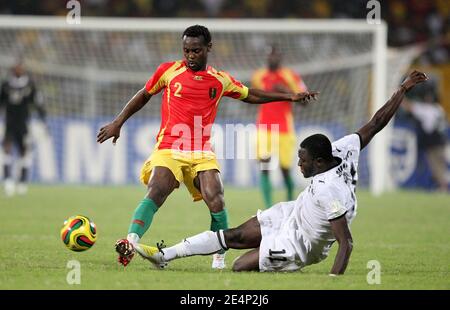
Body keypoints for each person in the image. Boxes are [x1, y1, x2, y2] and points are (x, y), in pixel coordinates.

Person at [133, 70, 428, 274]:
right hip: (295, 211)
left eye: (303, 162)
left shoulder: (330, 190)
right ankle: (165, 255)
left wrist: (333, 280)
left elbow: (346, 243)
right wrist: (401, 89)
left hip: (301, 243)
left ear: (320, 163)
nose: (299, 164)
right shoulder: (343, 148)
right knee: (233, 234)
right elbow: (376, 122)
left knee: (239, 266)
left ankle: (262, 253)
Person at [96, 25, 318, 269]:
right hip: (170, 146)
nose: (190, 56)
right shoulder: (168, 71)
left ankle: (219, 257)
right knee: (157, 189)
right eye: (187, 51)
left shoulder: (219, 79)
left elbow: (250, 94)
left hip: (201, 151)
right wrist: (118, 122)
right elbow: (144, 94)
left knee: (216, 198)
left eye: (196, 51)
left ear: (208, 48)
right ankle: (130, 242)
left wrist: (288, 97)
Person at [252, 45, 308, 208]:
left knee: (284, 169)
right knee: (264, 164)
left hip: (284, 128)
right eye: (270, 56)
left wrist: (286, 90)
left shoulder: (291, 76)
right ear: (266, 57)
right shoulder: (258, 76)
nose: (272, 59)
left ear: (280, 58)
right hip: (264, 127)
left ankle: (290, 199)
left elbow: (305, 101)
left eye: (275, 56)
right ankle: (268, 205)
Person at [1, 60, 46, 196]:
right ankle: (8, 180)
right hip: (9, 123)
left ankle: (22, 182)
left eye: (21, 68)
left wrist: (42, 120)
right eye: (17, 67)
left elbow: (37, 103)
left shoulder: (30, 85)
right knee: (6, 149)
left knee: (24, 152)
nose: (19, 70)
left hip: (24, 124)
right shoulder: (6, 85)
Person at [402, 80, 448, 192]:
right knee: (439, 166)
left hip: (433, 142)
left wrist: (399, 94)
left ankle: (443, 188)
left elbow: (409, 107)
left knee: (436, 167)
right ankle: (441, 187)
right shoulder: (439, 109)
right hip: (441, 141)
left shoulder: (426, 110)